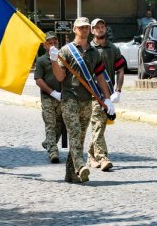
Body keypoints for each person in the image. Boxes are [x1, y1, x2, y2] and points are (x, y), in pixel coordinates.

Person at [49, 17, 115, 183]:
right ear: (74, 29)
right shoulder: (65, 51)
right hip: (69, 98)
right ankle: (79, 165)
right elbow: (60, 77)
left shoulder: (94, 52)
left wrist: (107, 99)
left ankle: (70, 174)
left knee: (79, 137)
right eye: (81, 27)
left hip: (87, 100)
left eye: (86, 27)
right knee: (74, 131)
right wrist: (53, 61)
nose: (84, 30)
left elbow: (100, 77)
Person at [88, 18, 126, 172]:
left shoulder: (113, 48)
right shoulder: (88, 48)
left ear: (105, 28)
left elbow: (121, 69)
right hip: (93, 93)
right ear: (92, 31)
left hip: (108, 94)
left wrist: (118, 90)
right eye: (96, 27)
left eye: (102, 26)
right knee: (98, 124)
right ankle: (102, 157)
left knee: (100, 125)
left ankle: (91, 156)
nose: (100, 29)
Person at [34, 31, 63, 164]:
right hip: (48, 97)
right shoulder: (41, 60)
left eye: (54, 42)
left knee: (61, 125)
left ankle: (48, 142)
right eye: (49, 43)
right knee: (50, 124)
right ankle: (53, 151)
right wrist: (52, 93)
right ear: (45, 45)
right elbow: (38, 80)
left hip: (63, 97)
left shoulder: (63, 58)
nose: (52, 44)